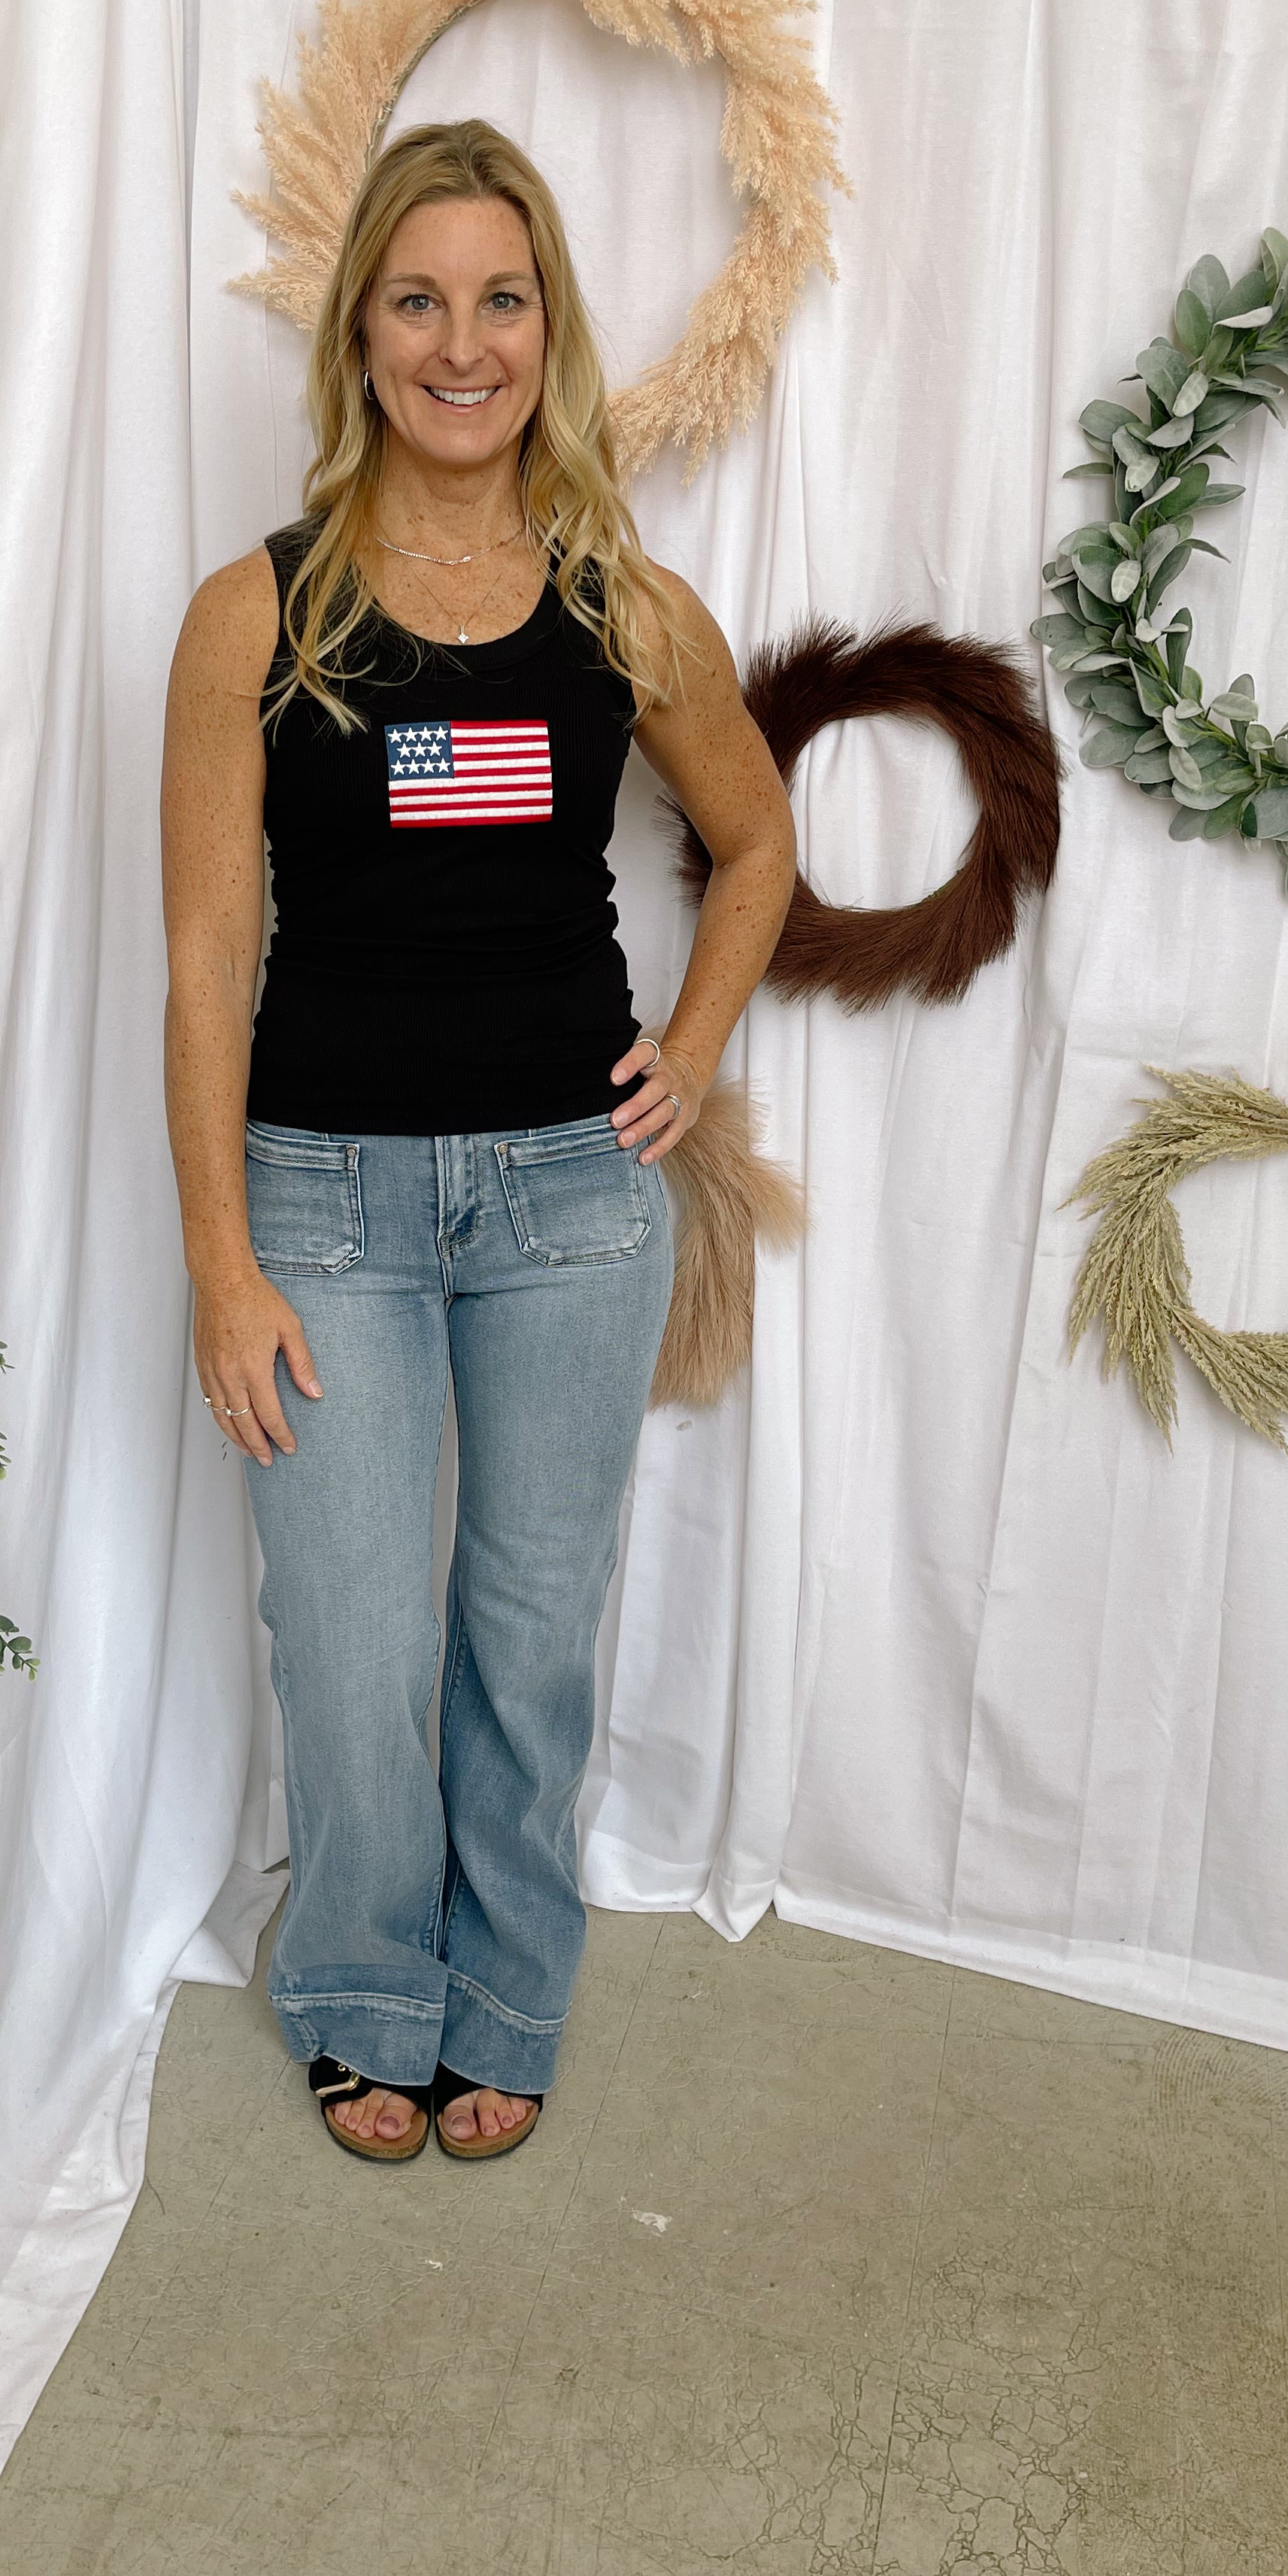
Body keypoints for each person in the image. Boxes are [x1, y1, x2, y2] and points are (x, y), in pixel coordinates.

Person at [160, 117, 795, 2162]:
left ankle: (506, 1990)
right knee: (345, 1635)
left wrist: (687, 1049)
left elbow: (761, 839)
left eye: (501, 299)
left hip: (567, 1197)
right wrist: (221, 1262)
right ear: (360, 330)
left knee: (528, 1628)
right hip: (323, 1198)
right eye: (418, 298)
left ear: (551, 327)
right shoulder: (253, 617)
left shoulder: (623, 597)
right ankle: (361, 1984)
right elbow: (199, 960)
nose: (463, 342)